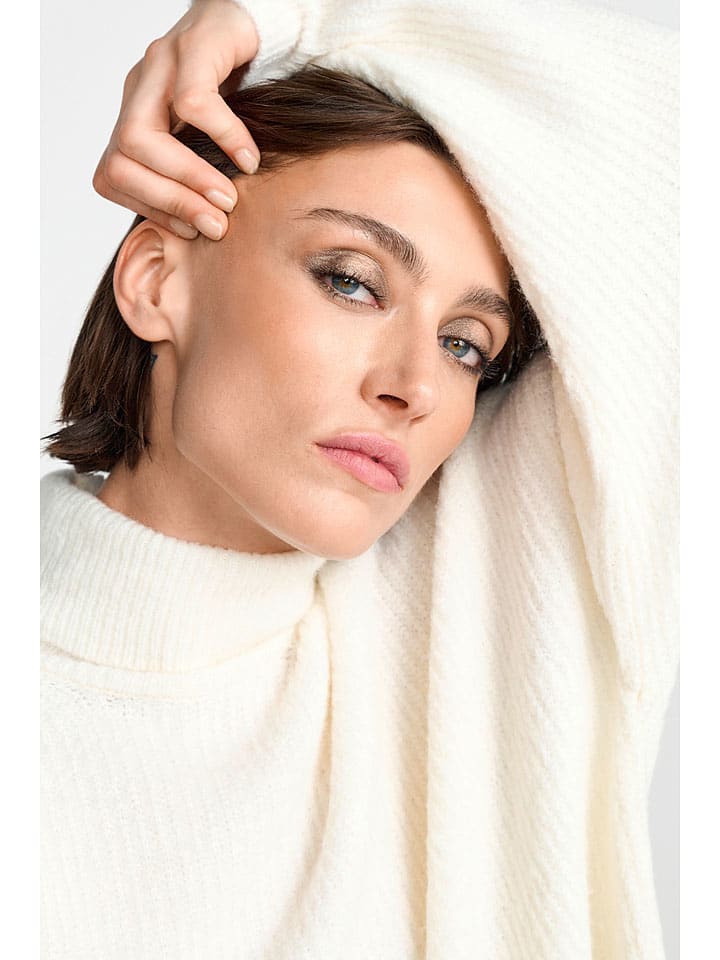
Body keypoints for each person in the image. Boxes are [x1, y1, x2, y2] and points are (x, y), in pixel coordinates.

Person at [40, 1, 679, 958]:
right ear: (155, 278)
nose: (416, 387)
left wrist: (276, 16)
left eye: (467, 345)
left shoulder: (468, 615)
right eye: (351, 279)